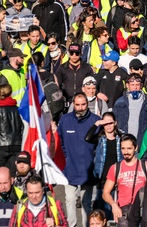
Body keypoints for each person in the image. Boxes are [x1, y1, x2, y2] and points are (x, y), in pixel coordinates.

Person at [58, 93, 99, 227]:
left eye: (83, 104)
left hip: (88, 168)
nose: (81, 108)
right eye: (77, 105)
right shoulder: (65, 120)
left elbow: (99, 145)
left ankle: (88, 225)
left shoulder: (95, 120)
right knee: (69, 199)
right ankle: (72, 225)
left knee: (86, 202)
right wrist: (66, 158)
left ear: (87, 104)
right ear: (72, 104)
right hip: (70, 167)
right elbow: (60, 141)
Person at [102, 135, 147, 227]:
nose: (126, 152)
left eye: (129, 148)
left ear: (136, 148)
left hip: (143, 211)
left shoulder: (146, 166)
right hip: (124, 212)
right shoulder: (115, 168)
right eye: (123, 148)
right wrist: (114, 205)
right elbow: (105, 193)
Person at [0, 84, 23, 175]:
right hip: (16, 145)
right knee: (12, 176)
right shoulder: (17, 109)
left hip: (1, 147)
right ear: (11, 93)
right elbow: (22, 129)